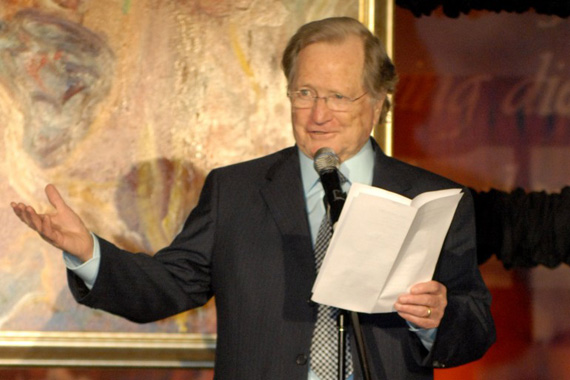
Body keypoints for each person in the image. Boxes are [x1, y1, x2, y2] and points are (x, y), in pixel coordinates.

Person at [11, 17, 495, 380]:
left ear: (377, 99)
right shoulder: (236, 192)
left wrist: (438, 317)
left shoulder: (430, 197)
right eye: (304, 92)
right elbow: (166, 285)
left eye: (338, 97)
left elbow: (474, 328)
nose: (318, 113)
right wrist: (88, 253)